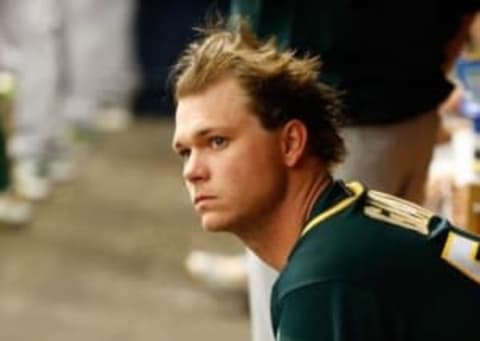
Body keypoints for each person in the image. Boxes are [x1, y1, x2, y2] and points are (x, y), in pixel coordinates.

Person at [171, 21, 480, 340]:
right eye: (184, 151)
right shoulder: (347, 226)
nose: (192, 171)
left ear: (290, 143)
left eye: (217, 142)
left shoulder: (325, 279)